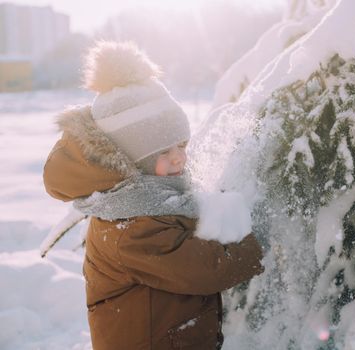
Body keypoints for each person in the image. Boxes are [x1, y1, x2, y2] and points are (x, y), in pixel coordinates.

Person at [43, 41, 264, 350]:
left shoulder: (149, 198)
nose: (179, 158)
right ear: (133, 160)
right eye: (163, 151)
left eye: (182, 145)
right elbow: (204, 270)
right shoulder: (130, 224)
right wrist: (259, 241)